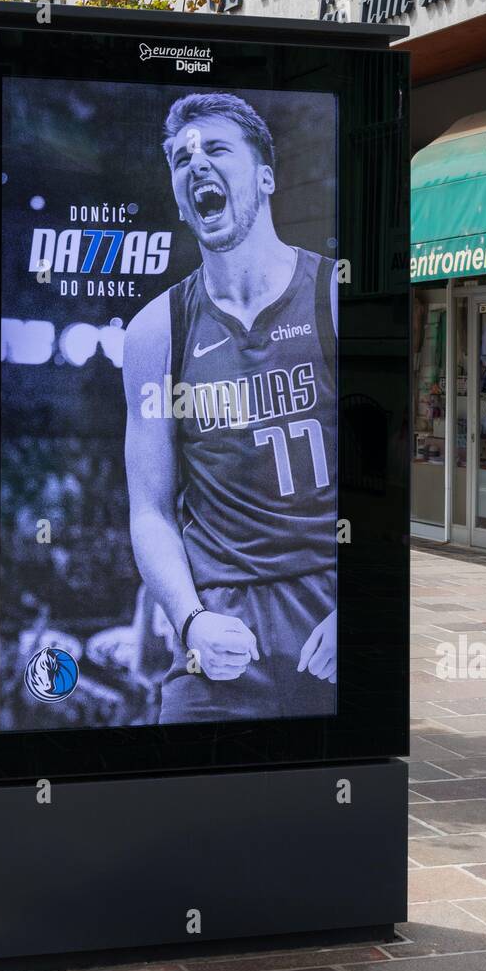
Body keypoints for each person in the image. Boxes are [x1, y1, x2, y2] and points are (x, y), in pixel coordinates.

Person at [123, 92, 337, 724]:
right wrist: (190, 621)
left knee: (327, 810)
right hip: (221, 633)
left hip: (327, 616)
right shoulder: (156, 331)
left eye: (217, 149)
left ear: (265, 176)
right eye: (182, 159)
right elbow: (150, 510)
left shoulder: (332, 298)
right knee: (180, 811)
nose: (198, 166)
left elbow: (386, 483)